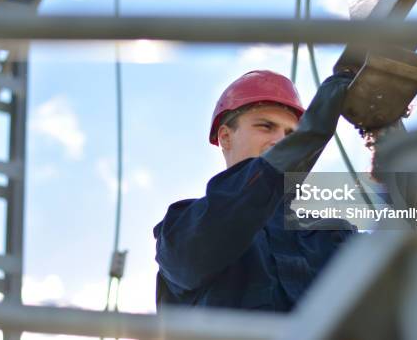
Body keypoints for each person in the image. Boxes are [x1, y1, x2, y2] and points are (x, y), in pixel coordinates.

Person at [153, 70, 357, 312]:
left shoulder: (330, 235)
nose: (280, 140)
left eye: (291, 134)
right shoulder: (184, 227)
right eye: (266, 126)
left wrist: (386, 135)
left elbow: (397, 281)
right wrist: (312, 134)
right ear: (226, 137)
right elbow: (243, 199)